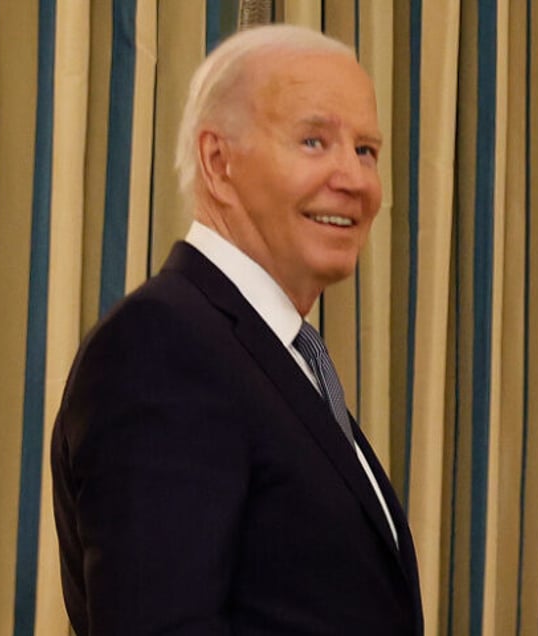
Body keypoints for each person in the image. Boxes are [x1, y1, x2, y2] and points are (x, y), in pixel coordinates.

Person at [51, 23, 423, 635]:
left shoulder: (271, 354)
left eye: (366, 150)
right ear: (218, 162)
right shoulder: (163, 347)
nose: (354, 179)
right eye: (313, 141)